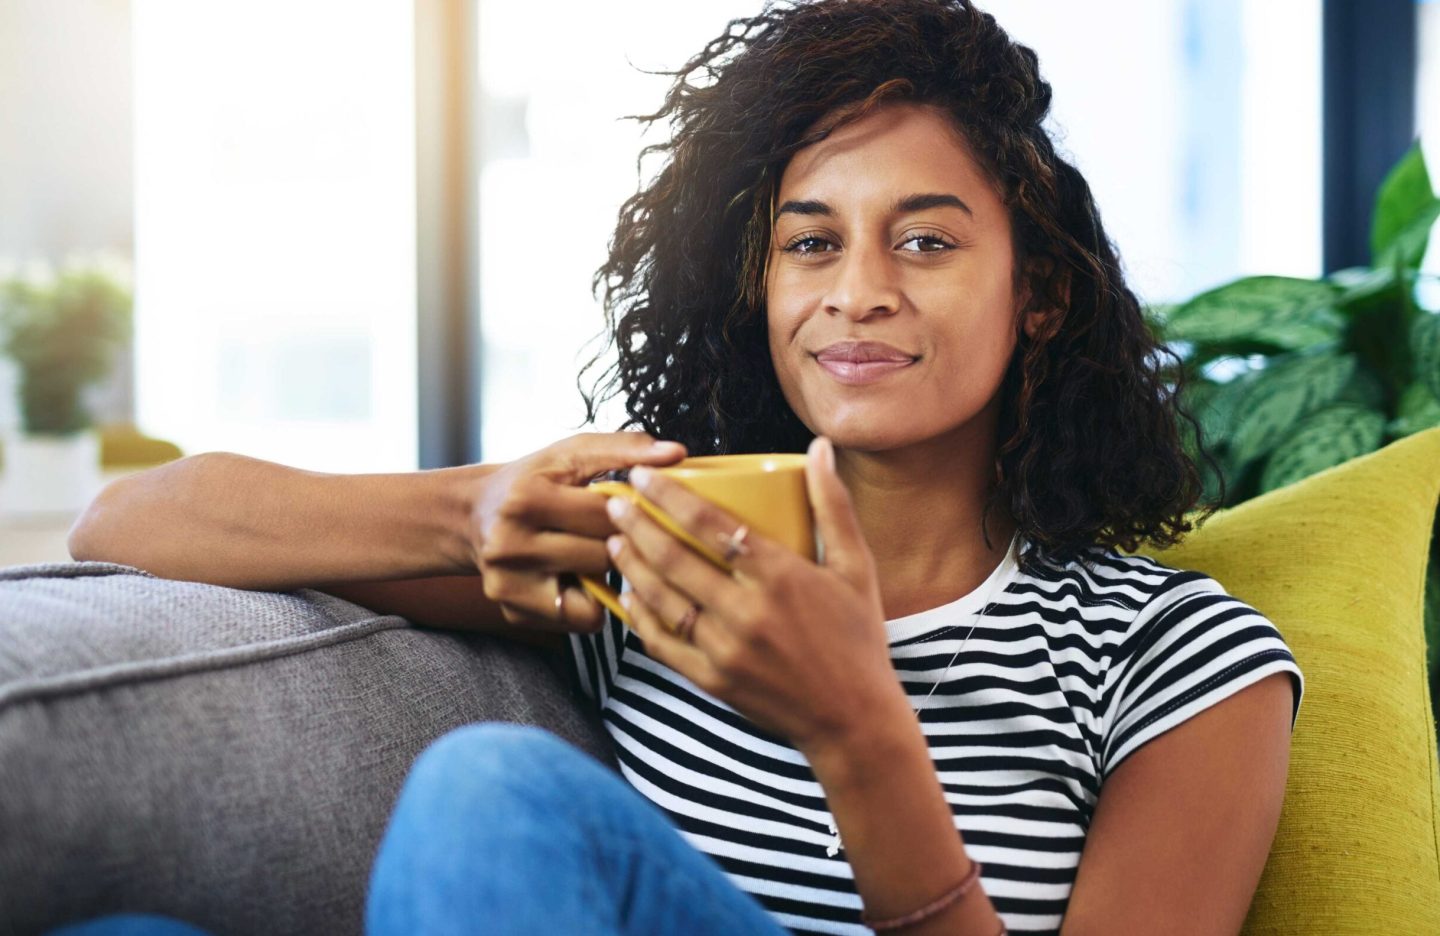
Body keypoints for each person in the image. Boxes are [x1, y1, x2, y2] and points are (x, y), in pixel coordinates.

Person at [66, 1, 1303, 933]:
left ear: (1037, 295)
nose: (857, 293)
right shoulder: (661, 561)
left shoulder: (1173, 657)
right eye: (809, 244)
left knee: (496, 791)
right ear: (759, 292)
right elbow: (136, 520)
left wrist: (860, 731)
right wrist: (476, 505)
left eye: (924, 240)